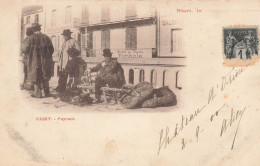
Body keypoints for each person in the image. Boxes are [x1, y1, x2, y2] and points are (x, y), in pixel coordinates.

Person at [26, 23, 54, 98]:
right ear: (40, 28)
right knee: (45, 76)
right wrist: (47, 56)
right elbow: (52, 49)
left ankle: (38, 94)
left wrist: (30, 55)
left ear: (33, 29)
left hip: (35, 61)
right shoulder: (46, 37)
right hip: (45, 60)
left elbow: (26, 49)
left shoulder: (30, 38)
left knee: (36, 76)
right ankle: (47, 93)